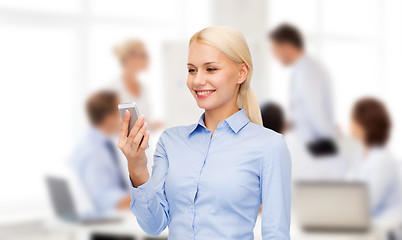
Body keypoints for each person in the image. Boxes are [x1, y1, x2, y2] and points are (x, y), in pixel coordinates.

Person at [117, 26, 292, 239]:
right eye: (192, 70)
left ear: (241, 73)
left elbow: (276, 234)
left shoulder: (269, 146)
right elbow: (153, 225)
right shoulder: (170, 142)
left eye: (210, 69)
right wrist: (137, 167)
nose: (198, 80)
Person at [268, 23, 337, 156]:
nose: (274, 56)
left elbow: (316, 111)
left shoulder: (308, 72)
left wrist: (331, 141)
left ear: (287, 47)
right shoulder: (302, 70)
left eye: (275, 50)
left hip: (317, 149)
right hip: (311, 147)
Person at [70, 91, 131, 212]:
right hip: (106, 222)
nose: (124, 118)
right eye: (120, 113)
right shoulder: (93, 150)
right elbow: (104, 197)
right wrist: (146, 201)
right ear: (109, 118)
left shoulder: (102, 145)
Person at [350, 97, 402, 221]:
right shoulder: (362, 156)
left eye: (353, 120)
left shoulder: (383, 160)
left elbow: (365, 203)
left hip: (386, 231)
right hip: (368, 225)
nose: (350, 126)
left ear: (364, 125)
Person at [111, 39, 162, 130]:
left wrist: (154, 125)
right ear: (129, 59)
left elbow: (141, 122)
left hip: (143, 142)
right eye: (143, 55)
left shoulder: (145, 88)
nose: (148, 59)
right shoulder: (113, 89)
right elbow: (109, 126)